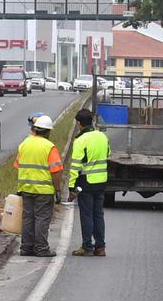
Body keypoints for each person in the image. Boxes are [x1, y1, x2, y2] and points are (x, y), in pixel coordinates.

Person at [14, 114, 63, 256]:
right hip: (44, 190)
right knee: (42, 218)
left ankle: (26, 248)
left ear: (35, 129)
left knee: (28, 218)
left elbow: (18, 165)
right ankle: (41, 248)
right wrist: (57, 189)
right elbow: (56, 171)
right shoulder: (49, 147)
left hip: (25, 188)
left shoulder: (24, 144)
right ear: (48, 132)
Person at [68, 106, 109, 257]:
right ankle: (100, 247)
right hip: (102, 181)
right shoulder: (102, 136)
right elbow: (108, 154)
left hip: (86, 182)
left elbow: (75, 166)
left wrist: (72, 187)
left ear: (79, 123)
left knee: (86, 215)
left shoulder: (80, 140)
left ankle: (87, 246)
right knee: (98, 214)